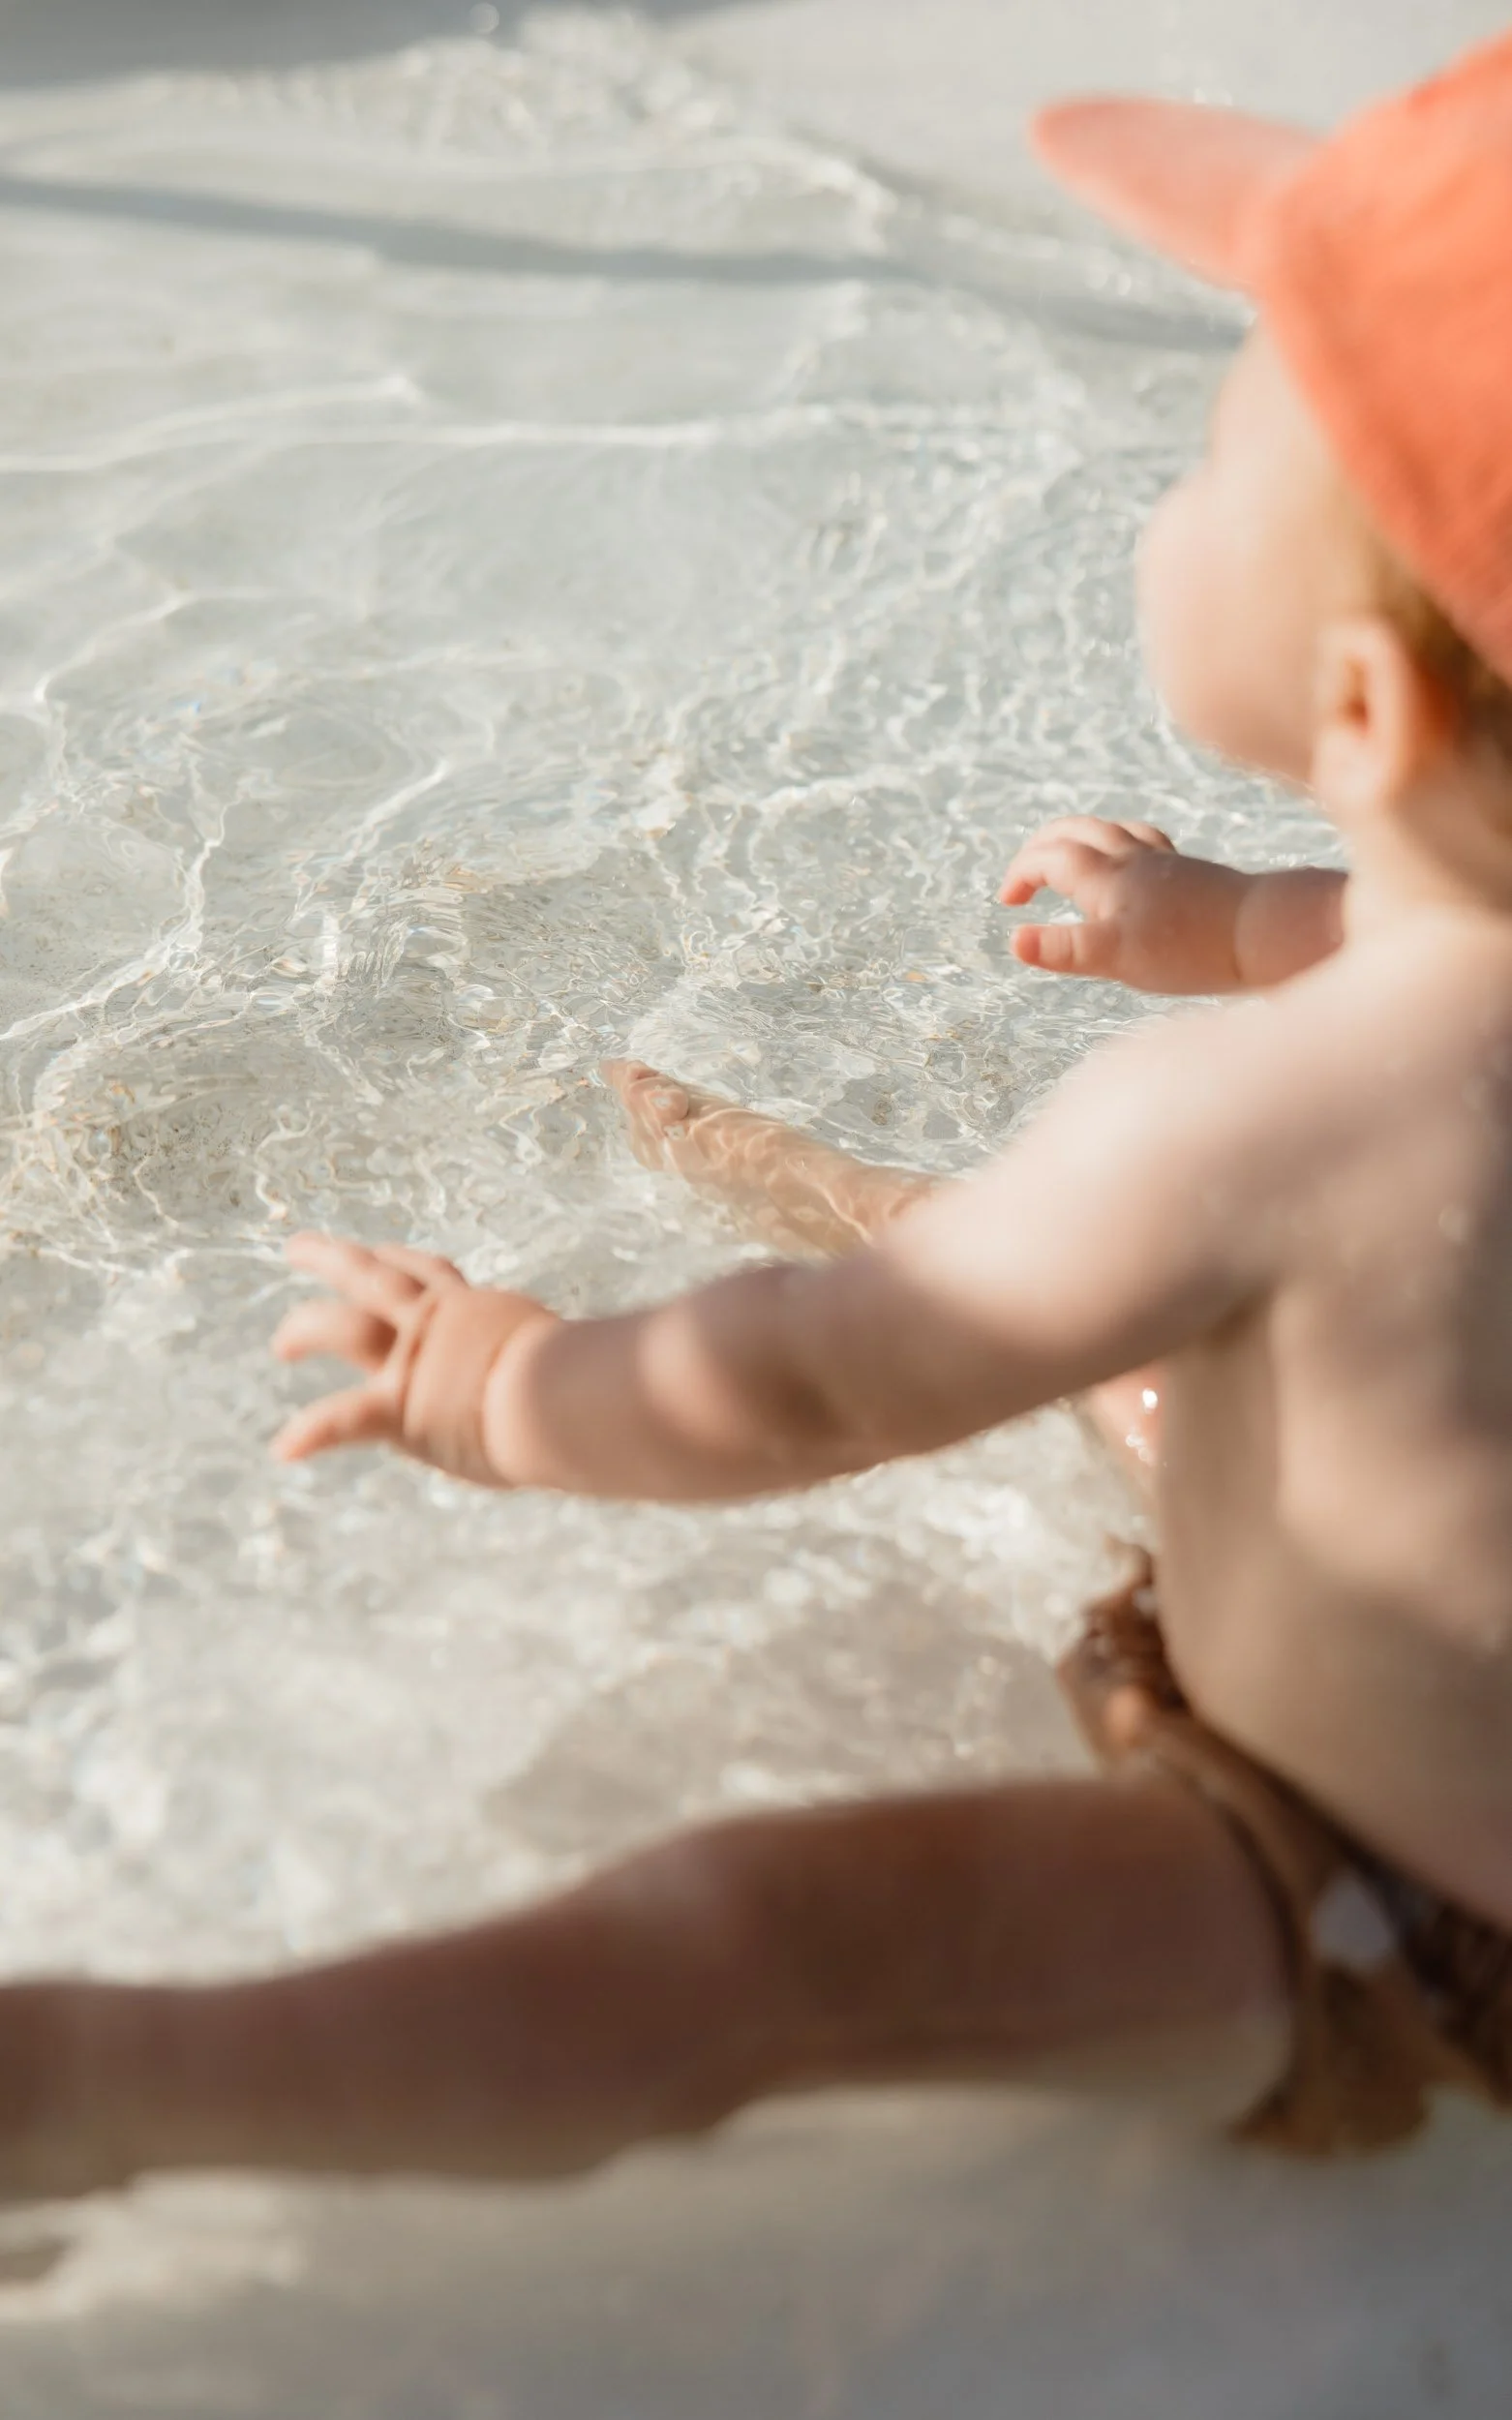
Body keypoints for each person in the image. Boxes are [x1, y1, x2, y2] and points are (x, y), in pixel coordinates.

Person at [8, 35, 1512, 2202]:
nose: (1173, 506)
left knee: (735, 1953)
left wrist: (512, 1383)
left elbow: (814, 1381)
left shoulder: (1240, 1133)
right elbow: (1391, 929)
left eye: (1198, 467)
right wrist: (1201, 910)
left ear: (1357, 706)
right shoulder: (1391, 1005)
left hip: (1369, 1895)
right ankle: (774, 1157)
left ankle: (84, 2089)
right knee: (1137, 1302)